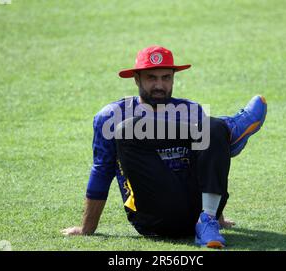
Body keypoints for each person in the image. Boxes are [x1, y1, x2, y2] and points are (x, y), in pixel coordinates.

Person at [61, 46, 267, 248]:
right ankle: (229, 130)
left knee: (211, 127)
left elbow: (207, 166)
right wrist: (87, 228)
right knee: (128, 129)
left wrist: (217, 216)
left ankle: (209, 220)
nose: (160, 85)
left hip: (196, 212)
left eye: (166, 78)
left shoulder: (191, 111)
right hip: (154, 216)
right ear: (136, 79)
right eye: (152, 77)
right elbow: (102, 170)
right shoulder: (111, 116)